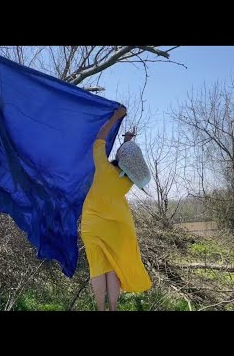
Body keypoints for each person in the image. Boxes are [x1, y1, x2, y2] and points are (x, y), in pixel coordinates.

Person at [80, 106, 152, 311]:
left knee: (98, 267)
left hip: (92, 224)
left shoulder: (103, 168)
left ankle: (100, 309)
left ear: (120, 156)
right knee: (112, 269)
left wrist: (115, 117)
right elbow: (127, 162)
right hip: (117, 227)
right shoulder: (128, 180)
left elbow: (99, 140)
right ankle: (113, 308)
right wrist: (128, 141)